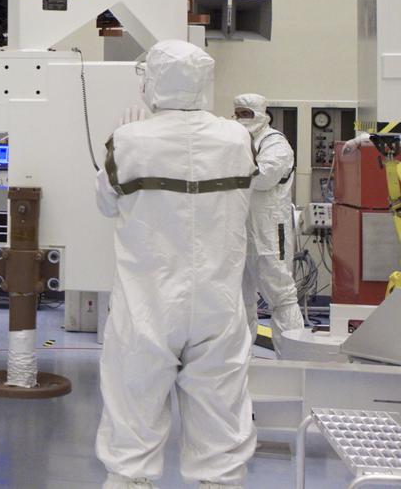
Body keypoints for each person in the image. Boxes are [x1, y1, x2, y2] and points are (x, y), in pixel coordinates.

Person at [95, 40, 257, 489]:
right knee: (221, 420)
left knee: (133, 415)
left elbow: (106, 205)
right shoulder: (237, 137)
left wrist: (126, 139)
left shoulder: (127, 141)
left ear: (154, 81)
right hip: (218, 300)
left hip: (147, 301)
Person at [233, 94, 305, 339]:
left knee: (280, 295)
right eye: (238, 113)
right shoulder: (236, 140)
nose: (242, 119)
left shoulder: (275, 143)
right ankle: (242, 358)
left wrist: (227, 166)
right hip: (237, 230)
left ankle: (293, 356)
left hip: (268, 232)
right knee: (239, 300)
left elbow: (263, 178)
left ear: (262, 114)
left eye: (247, 114)